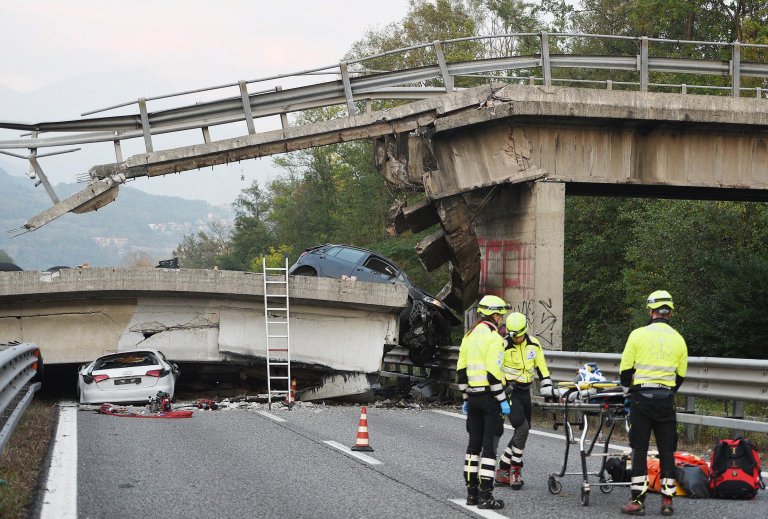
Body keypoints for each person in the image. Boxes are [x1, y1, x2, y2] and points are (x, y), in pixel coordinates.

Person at [620, 290, 688, 517]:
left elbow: (625, 372)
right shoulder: (678, 339)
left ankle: (637, 501)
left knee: (639, 450)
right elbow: (680, 375)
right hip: (666, 400)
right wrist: (666, 390)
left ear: (650, 311)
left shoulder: (637, 335)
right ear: (669, 312)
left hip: (641, 400)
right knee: (667, 450)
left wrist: (630, 391)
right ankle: (667, 501)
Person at [456, 294, 511, 510]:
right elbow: (493, 374)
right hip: (489, 399)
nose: (501, 319)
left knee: (472, 447)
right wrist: (502, 400)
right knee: (489, 448)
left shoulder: (469, 336)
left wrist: (466, 398)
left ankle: (472, 494)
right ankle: (486, 496)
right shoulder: (494, 338)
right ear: (494, 314)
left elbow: (461, 372)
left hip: (474, 398)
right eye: (500, 315)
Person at [494, 312, 557, 490]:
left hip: (525, 392)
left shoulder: (534, 344)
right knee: (522, 428)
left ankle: (502, 470)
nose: (516, 338)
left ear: (525, 330)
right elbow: (496, 370)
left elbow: (542, 368)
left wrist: (547, 386)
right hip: (509, 392)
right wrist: (499, 394)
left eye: (519, 335)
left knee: (523, 431)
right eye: (513, 335)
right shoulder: (503, 345)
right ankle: (515, 471)